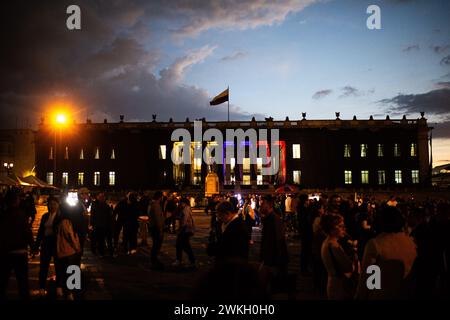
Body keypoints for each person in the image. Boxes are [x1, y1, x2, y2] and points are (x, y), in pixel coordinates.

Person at [356, 206, 417, 300]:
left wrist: (360, 296)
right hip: (404, 293)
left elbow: (368, 279)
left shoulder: (375, 244)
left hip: (381, 294)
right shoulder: (411, 243)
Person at [0, 190, 33, 300]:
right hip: (20, 252)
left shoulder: (3, 215)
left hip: (5, 252)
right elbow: (27, 232)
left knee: (3, 280)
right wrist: (33, 247)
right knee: (23, 282)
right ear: (16, 201)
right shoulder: (21, 215)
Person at [320, 214, 358, 300]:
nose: (344, 229)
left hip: (333, 284)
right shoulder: (334, 246)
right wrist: (354, 255)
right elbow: (348, 267)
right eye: (340, 226)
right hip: (338, 286)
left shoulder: (327, 242)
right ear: (331, 229)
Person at [259, 195, 289, 293]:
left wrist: (275, 263)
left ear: (269, 205)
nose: (260, 206)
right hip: (269, 259)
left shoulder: (274, 220)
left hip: (273, 261)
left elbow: (279, 241)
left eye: (262, 203)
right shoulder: (268, 219)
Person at [33, 196, 61, 297]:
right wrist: (36, 245)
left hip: (56, 244)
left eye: (54, 204)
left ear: (58, 205)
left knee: (59, 266)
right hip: (46, 243)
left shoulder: (61, 216)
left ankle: (59, 286)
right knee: (44, 266)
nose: (52, 206)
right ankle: (42, 287)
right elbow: (41, 231)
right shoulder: (45, 216)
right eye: (50, 204)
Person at [55, 208, 81, 300]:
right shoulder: (66, 222)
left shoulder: (61, 221)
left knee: (62, 270)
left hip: (64, 250)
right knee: (69, 272)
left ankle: (60, 289)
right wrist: (77, 247)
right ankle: (69, 293)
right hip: (68, 250)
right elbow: (70, 235)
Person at [173, 198, 196, 267]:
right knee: (183, 245)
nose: (179, 204)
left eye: (180, 202)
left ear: (184, 203)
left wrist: (180, 229)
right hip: (186, 229)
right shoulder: (185, 208)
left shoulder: (186, 209)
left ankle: (182, 260)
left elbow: (184, 220)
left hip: (185, 230)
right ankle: (189, 260)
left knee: (182, 245)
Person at [90, 192, 114, 257]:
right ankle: (101, 252)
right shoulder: (95, 204)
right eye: (100, 197)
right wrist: (92, 224)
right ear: (97, 197)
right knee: (100, 240)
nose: (102, 198)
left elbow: (110, 215)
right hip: (98, 225)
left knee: (106, 239)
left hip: (106, 224)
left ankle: (108, 252)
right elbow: (93, 214)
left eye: (103, 197)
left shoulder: (106, 204)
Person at [148, 191, 165, 269]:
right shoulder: (156, 205)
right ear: (160, 197)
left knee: (155, 244)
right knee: (156, 245)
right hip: (156, 228)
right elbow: (158, 218)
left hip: (153, 227)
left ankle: (154, 260)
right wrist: (161, 229)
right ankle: (154, 261)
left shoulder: (151, 204)